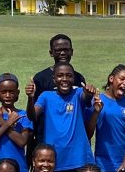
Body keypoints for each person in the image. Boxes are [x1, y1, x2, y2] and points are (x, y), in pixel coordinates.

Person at [26, 62, 96, 172]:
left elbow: (86, 98)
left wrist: (89, 93)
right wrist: (30, 99)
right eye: (60, 75)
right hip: (54, 160)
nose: (64, 79)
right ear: (54, 79)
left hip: (78, 160)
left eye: (69, 75)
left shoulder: (79, 93)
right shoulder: (46, 96)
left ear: (74, 78)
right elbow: (32, 116)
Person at [29, 34, 87, 164]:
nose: (62, 53)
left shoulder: (78, 78)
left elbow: (83, 110)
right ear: (51, 53)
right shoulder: (41, 78)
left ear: (72, 51)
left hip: (71, 143)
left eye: (66, 49)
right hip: (46, 139)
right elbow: (34, 114)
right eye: (58, 50)